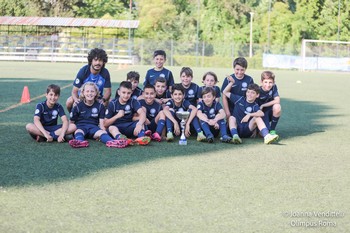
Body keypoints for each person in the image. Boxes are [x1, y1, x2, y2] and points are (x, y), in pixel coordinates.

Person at [222, 77, 279, 144]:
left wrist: (250, 115)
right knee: (231, 118)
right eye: (248, 92)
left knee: (257, 118)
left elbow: (261, 113)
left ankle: (267, 136)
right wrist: (231, 82)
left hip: (247, 129)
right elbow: (225, 92)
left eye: (252, 93)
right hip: (236, 128)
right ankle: (235, 136)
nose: (249, 94)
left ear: (257, 95)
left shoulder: (255, 105)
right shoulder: (239, 99)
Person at [68, 82, 122, 148]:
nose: (90, 93)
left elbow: (102, 124)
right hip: (81, 127)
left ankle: (112, 142)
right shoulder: (77, 106)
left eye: (92, 91)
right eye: (87, 91)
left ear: (96, 93)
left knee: (101, 133)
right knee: (78, 131)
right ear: (83, 93)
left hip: (94, 128)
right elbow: (71, 123)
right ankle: (80, 142)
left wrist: (104, 131)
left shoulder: (100, 106)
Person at [104, 81, 151, 145]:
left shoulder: (133, 101)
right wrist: (117, 116)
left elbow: (142, 113)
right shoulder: (113, 103)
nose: (126, 95)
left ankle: (141, 138)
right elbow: (105, 123)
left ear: (131, 92)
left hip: (130, 126)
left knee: (141, 122)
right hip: (118, 127)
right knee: (111, 128)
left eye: (128, 93)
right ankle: (121, 139)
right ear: (119, 92)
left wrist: (139, 124)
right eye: (123, 92)